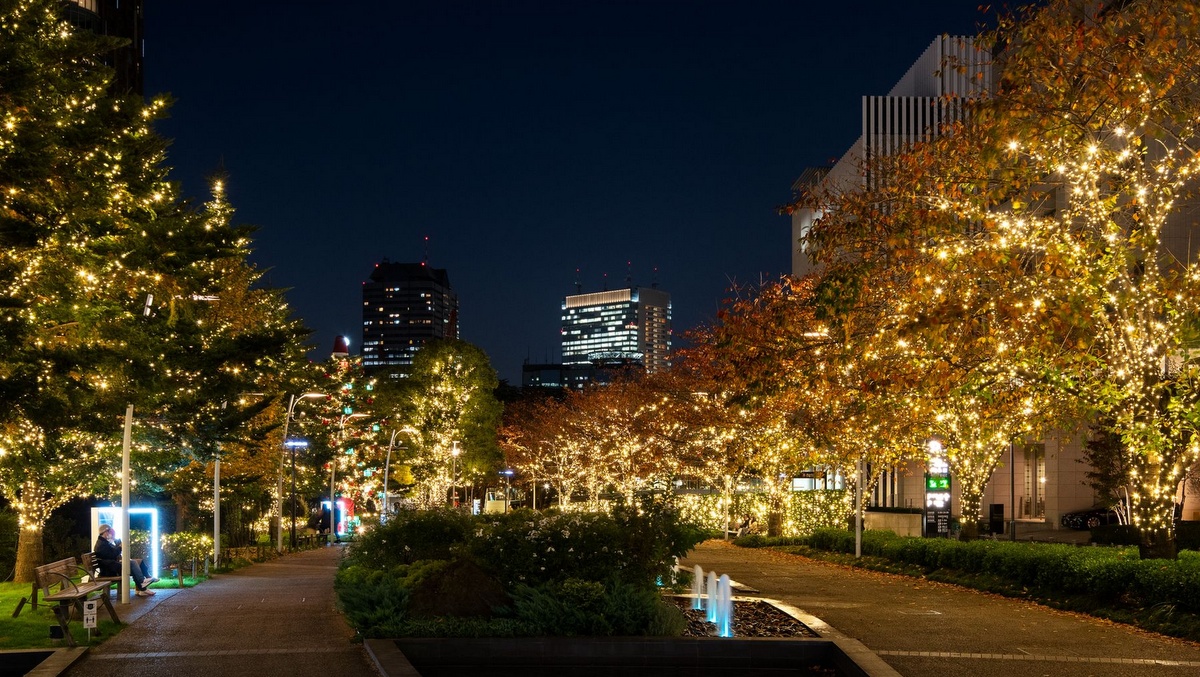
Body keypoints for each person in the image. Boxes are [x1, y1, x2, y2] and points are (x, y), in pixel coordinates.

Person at [94, 524, 158, 597]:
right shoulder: (102, 544)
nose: (110, 534)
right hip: (109, 570)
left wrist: (117, 544)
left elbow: (111, 554)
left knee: (137, 562)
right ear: (105, 532)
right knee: (133, 563)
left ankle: (143, 584)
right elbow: (112, 555)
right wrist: (120, 547)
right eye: (109, 532)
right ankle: (142, 584)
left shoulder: (104, 542)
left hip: (112, 566)